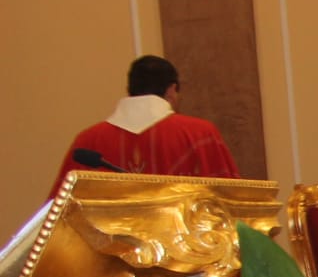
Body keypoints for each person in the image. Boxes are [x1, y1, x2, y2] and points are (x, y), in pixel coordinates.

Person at [49, 55, 239, 197]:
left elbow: (59, 211)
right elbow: (231, 199)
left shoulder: (88, 141)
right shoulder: (200, 134)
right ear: (171, 90)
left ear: (129, 90)